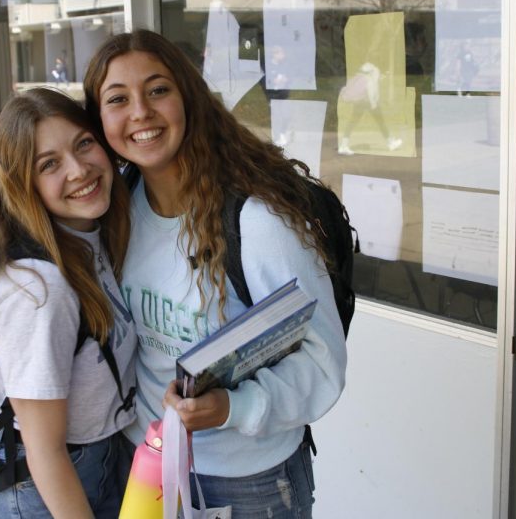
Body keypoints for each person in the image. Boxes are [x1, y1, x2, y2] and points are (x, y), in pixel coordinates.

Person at [83, 30, 347, 518]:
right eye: (117, 99)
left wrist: (232, 408)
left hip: (247, 483)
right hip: (145, 468)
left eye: (158, 89)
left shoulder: (258, 223)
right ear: (98, 122)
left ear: (189, 97)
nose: (140, 111)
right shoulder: (116, 206)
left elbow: (322, 363)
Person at [0, 87, 136, 518]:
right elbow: (44, 450)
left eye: (84, 144)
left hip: (98, 459)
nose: (78, 169)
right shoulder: (38, 291)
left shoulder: (86, 234)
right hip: (45, 485)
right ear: (23, 184)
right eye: (49, 164)